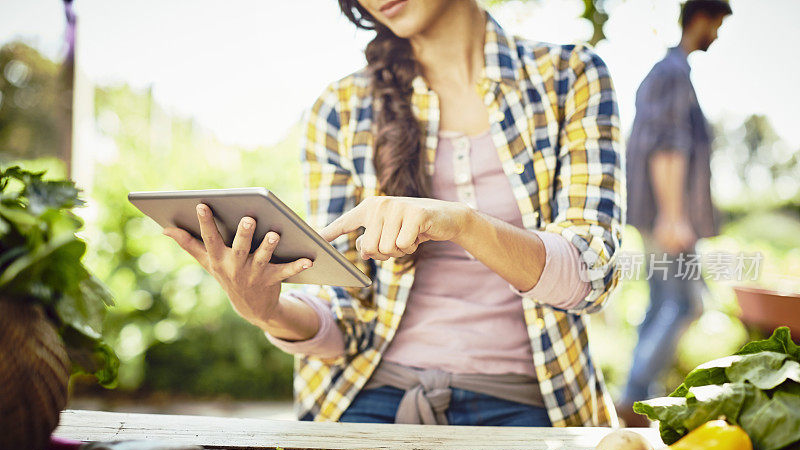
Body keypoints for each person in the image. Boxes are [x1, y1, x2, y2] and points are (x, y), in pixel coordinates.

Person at [165, 0, 625, 427]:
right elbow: (344, 319)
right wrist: (266, 309)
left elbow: (592, 274)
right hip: (367, 398)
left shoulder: (570, 76)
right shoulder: (341, 109)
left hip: (534, 404)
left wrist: (461, 224)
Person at [617, 0, 731, 427]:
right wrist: (673, 215)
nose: (716, 35)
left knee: (661, 304)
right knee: (685, 306)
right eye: (717, 25)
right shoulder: (672, 73)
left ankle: (643, 396)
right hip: (668, 217)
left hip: (663, 215)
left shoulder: (668, 73)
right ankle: (633, 397)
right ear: (700, 19)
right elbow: (667, 147)